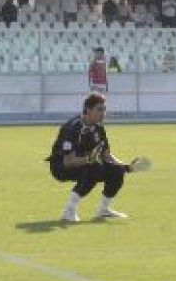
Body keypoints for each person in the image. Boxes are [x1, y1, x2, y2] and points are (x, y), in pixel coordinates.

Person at [46, 93, 134, 222]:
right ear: (87, 110)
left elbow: (106, 155)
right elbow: (68, 161)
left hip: (85, 163)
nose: (103, 113)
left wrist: (126, 167)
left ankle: (103, 210)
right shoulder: (73, 128)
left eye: (104, 109)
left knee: (116, 171)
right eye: (99, 109)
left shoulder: (99, 128)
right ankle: (68, 211)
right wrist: (89, 160)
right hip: (60, 167)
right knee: (94, 168)